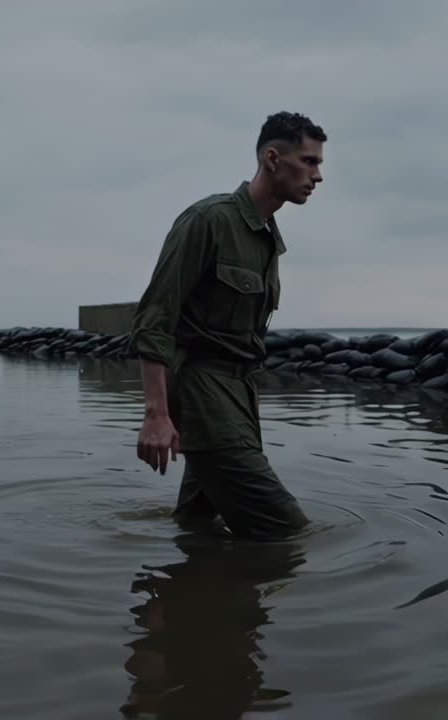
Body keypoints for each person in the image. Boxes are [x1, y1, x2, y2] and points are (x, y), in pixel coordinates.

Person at [128, 111, 326, 541]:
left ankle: (179, 599)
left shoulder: (267, 237)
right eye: (309, 162)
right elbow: (154, 317)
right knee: (288, 533)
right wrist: (156, 415)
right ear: (273, 158)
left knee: (198, 527)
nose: (318, 175)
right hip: (205, 398)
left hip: (239, 398)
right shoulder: (209, 221)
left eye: (319, 164)